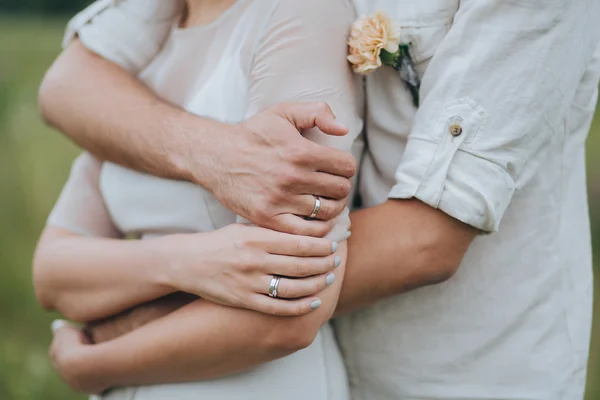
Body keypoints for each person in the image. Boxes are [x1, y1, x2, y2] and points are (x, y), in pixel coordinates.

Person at [39, 0, 600, 399]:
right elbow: (69, 84)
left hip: (460, 373)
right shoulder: (167, 27)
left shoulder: (296, 17)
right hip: (276, 353)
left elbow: (426, 241)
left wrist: (131, 325)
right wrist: (216, 155)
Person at [34, 0, 362, 398]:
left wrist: (95, 365)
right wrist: (187, 263)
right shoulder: (137, 51)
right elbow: (53, 275)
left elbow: (290, 314)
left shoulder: (299, 16)